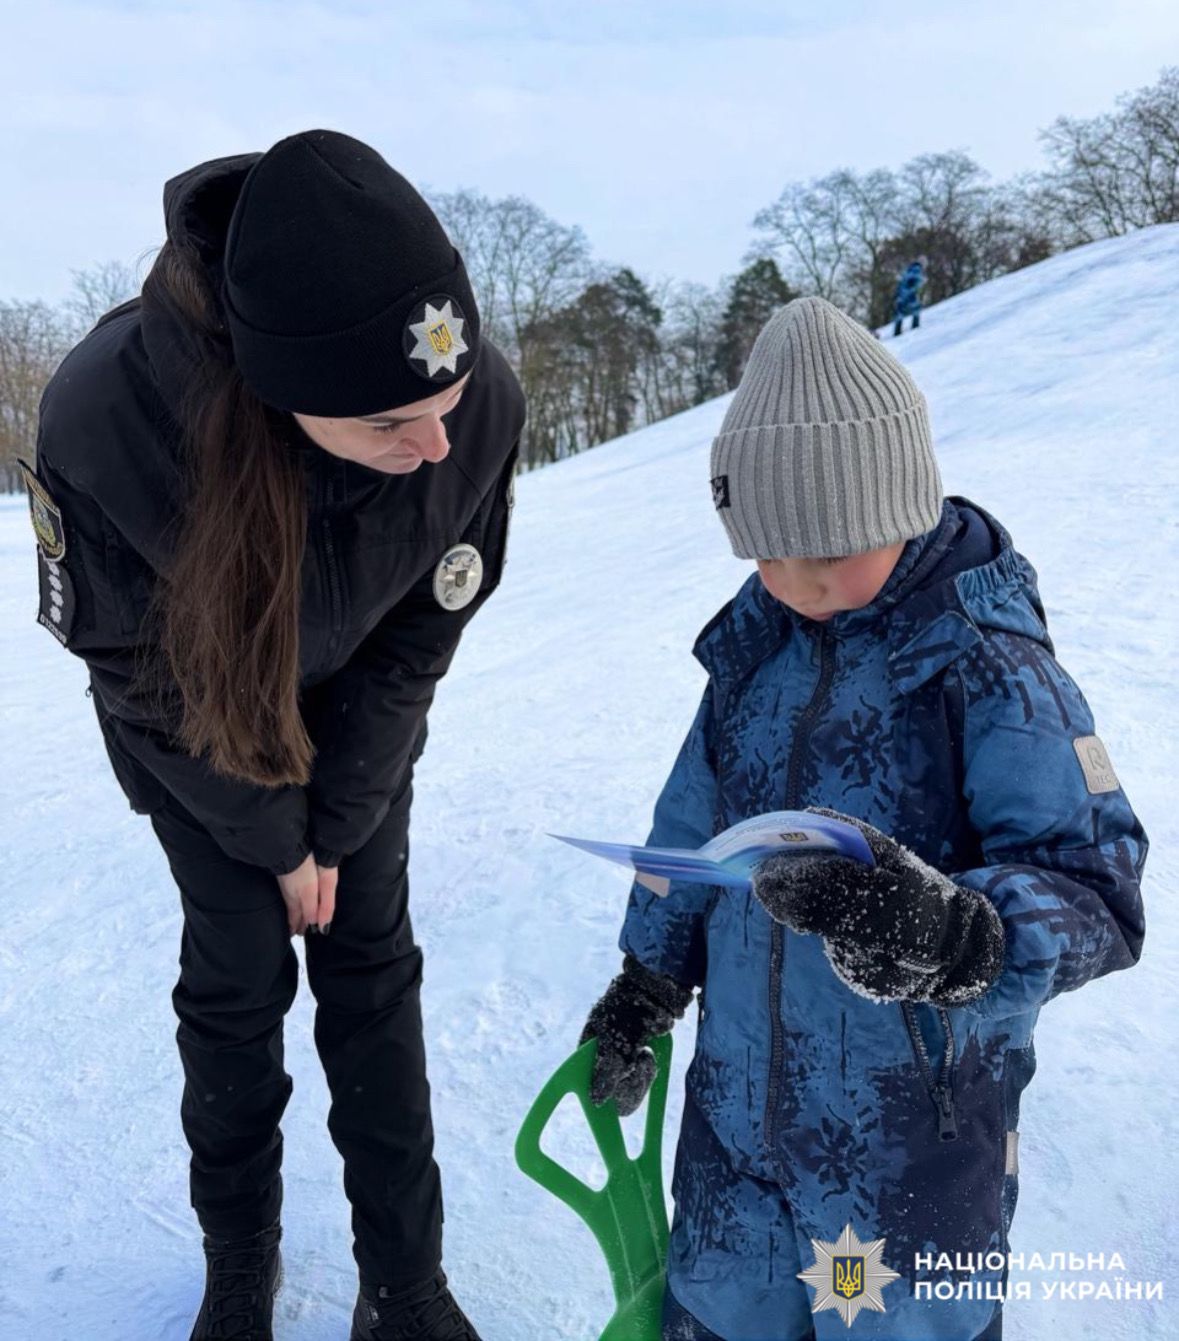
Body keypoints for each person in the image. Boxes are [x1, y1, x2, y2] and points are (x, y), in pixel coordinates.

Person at [19, 129, 524, 1341]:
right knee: (240, 980)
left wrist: (338, 831)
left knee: (371, 973)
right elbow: (139, 678)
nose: (440, 446)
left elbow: (420, 639)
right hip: (196, 740)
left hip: (356, 730)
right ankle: (238, 1264)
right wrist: (279, 846)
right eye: (398, 423)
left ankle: (407, 1284)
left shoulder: (475, 400)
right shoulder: (108, 424)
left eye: (449, 405)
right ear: (286, 395)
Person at [580, 297, 1147, 1341]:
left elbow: (1100, 888)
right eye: (767, 553)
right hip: (735, 1140)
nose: (797, 582)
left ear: (898, 504)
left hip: (907, 1152)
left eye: (826, 548)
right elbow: (685, 838)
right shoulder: (749, 663)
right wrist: (647, 979)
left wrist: (961, 933)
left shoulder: (988, 666)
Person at [892, 255, 926, 336]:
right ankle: (915, 326)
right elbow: (915, 281)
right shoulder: (917, 269)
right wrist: (920, 282)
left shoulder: (908, 269)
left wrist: (898, 294)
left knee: (900, 313)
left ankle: (897, 331)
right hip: (910, 294)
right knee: (915, 310)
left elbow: (902, 281)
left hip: (902, 294)